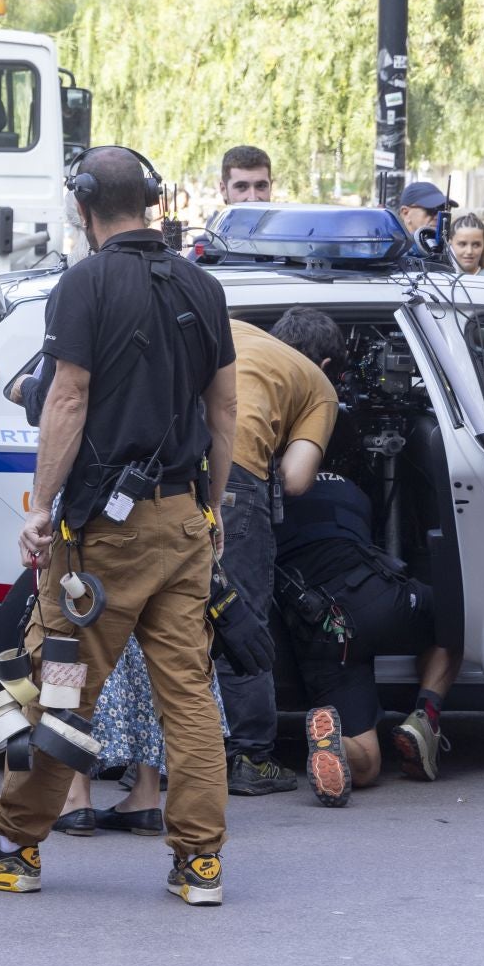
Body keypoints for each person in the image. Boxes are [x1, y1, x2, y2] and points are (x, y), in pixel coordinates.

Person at [0, 145, 238, 905]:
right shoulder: (203, 285)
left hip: (102, 543)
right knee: (189, 695)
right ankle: (199, 862)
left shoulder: (84, 283)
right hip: (183, 522)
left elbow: (66, 398)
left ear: (82, 205)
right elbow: (225, 410)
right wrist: (216, 509)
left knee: (61, 689)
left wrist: (40, 508)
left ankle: (12, 846)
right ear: (152, 200)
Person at [273, 470, 460, 804]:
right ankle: (425, 717)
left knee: (367, 768)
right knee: (456, 615)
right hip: (377, 601)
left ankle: (339, 743)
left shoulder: (264, 491)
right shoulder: (353, 489)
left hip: (323, 628)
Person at [214, 316, 340, 795]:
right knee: (237, 617)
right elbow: (296, 478)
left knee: (169, 613)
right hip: (235, 476)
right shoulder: (316, 381)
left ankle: (152, 756)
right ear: (325, 361)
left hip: (167, 466)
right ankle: (249, 756)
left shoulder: (235, 327)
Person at [448, 213, 484, 278]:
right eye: (462, 244)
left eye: (476, 245)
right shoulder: (440, 280)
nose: (469, 251)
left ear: (483, 245)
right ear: (449, 244)